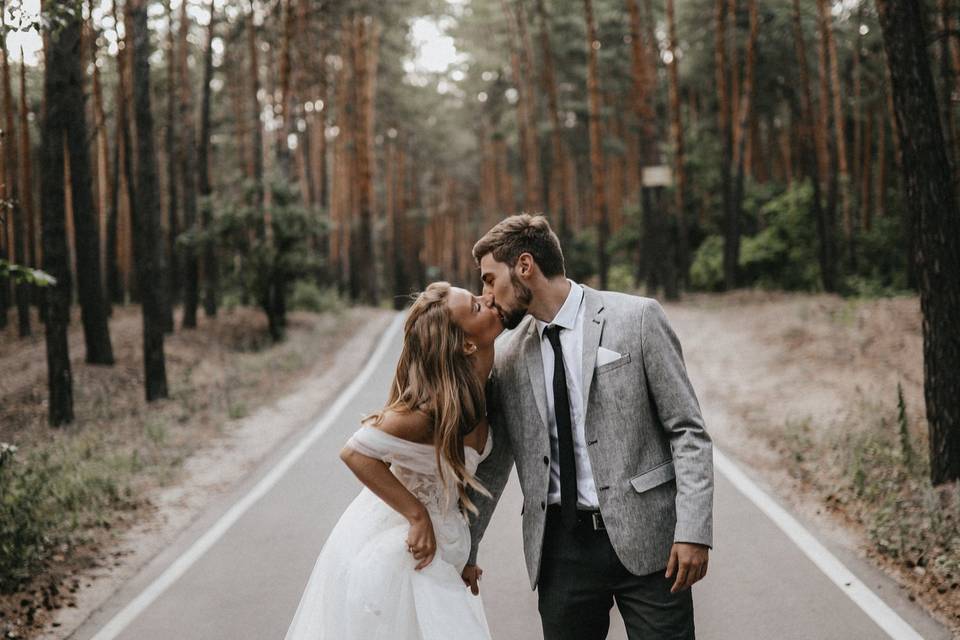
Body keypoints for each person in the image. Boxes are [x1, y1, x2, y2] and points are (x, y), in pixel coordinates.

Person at [463, 214, 714, 640]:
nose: (486, 295)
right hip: (561, 554)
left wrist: (693, 531)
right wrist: (465, 547)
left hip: (651, 542)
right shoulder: (507, 359)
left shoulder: (637, 318)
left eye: (490, 279)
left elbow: (687, 431)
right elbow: (493, 464)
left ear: (524, 266)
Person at [284, 282, 503, 640]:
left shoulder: (482, 391)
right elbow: (354, 452)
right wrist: (416, 515)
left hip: (449, 547)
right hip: (405, 551)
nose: (487, 300)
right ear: (466, 344)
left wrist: (467, 556)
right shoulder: (425, 414)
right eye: (476, 307)